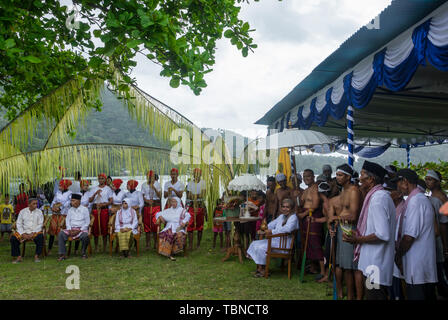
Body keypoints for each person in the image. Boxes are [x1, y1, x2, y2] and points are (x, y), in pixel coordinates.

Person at [343, 161, 396, 300]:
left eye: (361, 175)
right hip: (373, 262)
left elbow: (382, 234)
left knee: (375, 296)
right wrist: (358, 234)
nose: (359, 179)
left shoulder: (379, 198)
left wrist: (358, 239)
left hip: (376, 263)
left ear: (371, 179)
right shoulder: (376, 196)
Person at [392, 168, 438, 300]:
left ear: (405, 182)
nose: (398, 187)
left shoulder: (416, 201)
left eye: (398, 183)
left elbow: (409, 237)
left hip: (417, 266)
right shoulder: (416, 200)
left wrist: (398, 255)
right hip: (419, 265)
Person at [247, 198, 299, 278]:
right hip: (275, 241)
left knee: (261, 247)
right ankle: (261, 268)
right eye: (283, 207)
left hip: (283, 245)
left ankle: (262, 270)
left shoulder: (293, 217)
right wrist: (265, 228)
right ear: (281, 208)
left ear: (291, 208)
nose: (285, 209)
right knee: (254, 243)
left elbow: (288, 229)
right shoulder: (282, 216)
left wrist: (272, 232)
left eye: (287, 207)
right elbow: (272, 224)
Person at [333, 164, 362, 299]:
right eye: (337, 174)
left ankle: (354, 297)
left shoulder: (354, 190)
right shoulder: (343, 190)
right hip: (341, 228)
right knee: (345, 266)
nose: (337, 177)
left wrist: (336, 217)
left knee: (351, 266)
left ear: (348, 177)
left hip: (350, 230)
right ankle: (349, 296)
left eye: (340, 175)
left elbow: (353, 215)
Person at [298, 169, 327, 280]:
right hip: (305, 219)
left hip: (314, 218)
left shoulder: (315, 188)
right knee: (308, 244)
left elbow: (314, 205)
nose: (306, 179)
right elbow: (301, 202)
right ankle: (314, 267)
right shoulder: (306, 190)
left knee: (316, 244)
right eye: (304, 177)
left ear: (313, 177)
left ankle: (323, 272)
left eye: (308, 176)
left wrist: (304, 214)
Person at [57, 193, 90, 261]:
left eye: (73, 200)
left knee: (85, 236)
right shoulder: (70, 210)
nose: (71, 202)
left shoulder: (85, 209)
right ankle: (62, 254)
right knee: (61, 234)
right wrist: (69, 229)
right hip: (71, 229)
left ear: (79, 201)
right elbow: (67, 220)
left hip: (81, 229)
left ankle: (83, 253)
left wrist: (79, 230)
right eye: (71, 200)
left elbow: (87, 222)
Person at [156, 197, 191, 261]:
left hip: (178, 227)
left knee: (179, 235)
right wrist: (160, 217)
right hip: (169, 226)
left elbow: (188, 215)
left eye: (175, 202)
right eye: (172, 202)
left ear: (178, 202)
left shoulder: (182, 210)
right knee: (165, 234)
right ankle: (169, 253)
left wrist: (184, 221)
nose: (173, 203)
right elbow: (158, 213)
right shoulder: (169, 210)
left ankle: (172, 252)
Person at [10, 197, 44, 263]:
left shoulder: (39, 212)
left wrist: (33, 233)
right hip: (23, 232)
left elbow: (40, 224)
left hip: (35, 232)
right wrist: (23, 233)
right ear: (29, 204)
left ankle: (36, 256)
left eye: (36, 203)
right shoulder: (22, 212)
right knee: (13, 238)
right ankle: (18, 257)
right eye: (34, 204)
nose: (36, 205)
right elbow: (19, 223)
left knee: (40, 237)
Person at [425, 170, 448, 262]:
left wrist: (445, 245)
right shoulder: (432, 196)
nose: (427, 181)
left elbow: (444, 223)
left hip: (441, 234)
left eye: (430, 179)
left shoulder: (441, 197)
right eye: (426, 179)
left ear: (437, 182)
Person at [89, 173, 113, 253]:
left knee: (104, 228)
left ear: (105, 179)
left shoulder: (108, 189)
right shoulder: (94, 188)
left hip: (104, 210)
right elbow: (90, 200)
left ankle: (105, 247)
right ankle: (96, 247)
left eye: (102, 178)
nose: (101, 180)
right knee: (95, 228)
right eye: (99, 178)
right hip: (95, 210)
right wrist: (95, 193)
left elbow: (111, 201)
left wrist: (104, 204)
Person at [48, 179, 73, 255]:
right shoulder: (58, 192)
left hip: (64, 214)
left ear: (65, 186)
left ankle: (62, 249)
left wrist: (60, 208)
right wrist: (52, 207)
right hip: (55, 214)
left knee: (61, 231)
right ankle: (49, 249)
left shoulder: (70, 193)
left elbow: (68, 203)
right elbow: (54, 201)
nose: (59, 187)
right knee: (52, 231)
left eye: (60, 185)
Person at [186, 168, 207, 250]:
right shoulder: (190, 183)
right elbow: (188, 195)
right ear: (193, 175)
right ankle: (190, 244)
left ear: (200, 175)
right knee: (190, 225)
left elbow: (203, 194)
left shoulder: (203, 183)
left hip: (200, 205)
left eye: (198, 174)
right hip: (191, 206)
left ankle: (198, 244)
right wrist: (197, 195)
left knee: (200, 225)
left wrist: (194, 195)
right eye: (195, 173)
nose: (196, 175)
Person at [142, 171, 162, 250]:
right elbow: (142, 196)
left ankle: (156, 243)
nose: (150, 178)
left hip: (155, 207)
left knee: (155, 224)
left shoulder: (157, 184)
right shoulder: (144, 185)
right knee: (147, 224)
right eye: (149, 176)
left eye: (152, 176)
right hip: (147, 206)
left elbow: (160, 196)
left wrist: (154, 188)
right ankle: (147, 244)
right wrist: (146, 200)